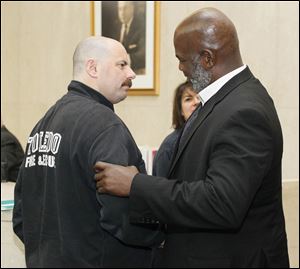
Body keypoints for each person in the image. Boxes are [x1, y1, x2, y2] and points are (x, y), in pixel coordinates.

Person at [94, 7, 290, 268]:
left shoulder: (245, 111)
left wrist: (136, 185)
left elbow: (221, 202)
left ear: (207, 59)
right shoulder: (222, 100)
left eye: (182, 59)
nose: (180, 67)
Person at [12, 36, 163, 268]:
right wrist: (161, 233)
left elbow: (22, 217)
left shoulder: (42, 125)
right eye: (122, 65)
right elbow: (122, 215)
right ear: (93, 68)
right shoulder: (105, 126)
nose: (131, 73)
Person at [152, 81, 200, 177]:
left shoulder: (209, 136)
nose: (196, 102)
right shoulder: (170, 146)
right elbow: (160, 188)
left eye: (199, 97)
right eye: (188, 99)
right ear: (180, 110)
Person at [102, 1, 146, 74]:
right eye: (120, 9)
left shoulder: (142, 27)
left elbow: (143, 55)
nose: (122, 13)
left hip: (135, 72)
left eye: (125, 8)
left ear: (132, 8)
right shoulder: (114, 26)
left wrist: (122, 61)